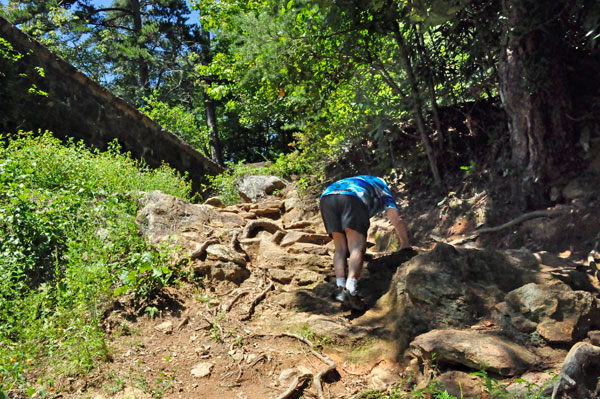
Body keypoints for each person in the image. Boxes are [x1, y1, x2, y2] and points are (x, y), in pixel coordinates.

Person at [319, 175, 411, 310]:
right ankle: (350, 289)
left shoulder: (359, 180)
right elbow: (395, 218)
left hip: (326, 199)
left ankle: (340, 287)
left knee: (340, 248)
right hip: (351, 198)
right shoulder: (381, 185)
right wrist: (405, 244)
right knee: (356, 246)